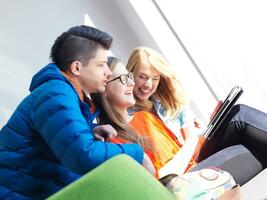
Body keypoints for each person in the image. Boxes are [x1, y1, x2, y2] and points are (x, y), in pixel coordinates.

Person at [0, 26, 154, 200]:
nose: (108, 72)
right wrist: (138, 154)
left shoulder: (65, 94)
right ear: (77, 67)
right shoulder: (56, 95)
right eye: (101, 65)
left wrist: (90, 131)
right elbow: (83, 156)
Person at [92, 56, 264, 185]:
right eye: (123, 79)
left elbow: (179, 150)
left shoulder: (144, 115)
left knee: (242, 125)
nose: (131, 83)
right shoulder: (113, 141)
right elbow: (159, 180)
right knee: (240, 117)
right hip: (181, 183)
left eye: (129, 76)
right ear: (103, 89)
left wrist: (204, 130)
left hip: (195, 164)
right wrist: (191, 140)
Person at [126, 47, 267, 164]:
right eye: (142, 77)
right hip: (190, 163)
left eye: (155, 78)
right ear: (129, 74)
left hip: (199, 149)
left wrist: (207, 126)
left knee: (249, 140)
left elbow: (193, 134)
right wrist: (191, 139)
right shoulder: (133, 116)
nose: (148, 85)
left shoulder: (165, 101)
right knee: (239, 117)